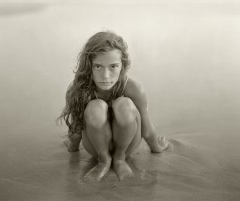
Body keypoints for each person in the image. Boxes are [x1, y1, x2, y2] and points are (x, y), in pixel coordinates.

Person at [58, 31, 169, 182]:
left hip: (128, 147)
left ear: (123, 66)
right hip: (95, 148)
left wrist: (157, 147)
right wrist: (73, 145)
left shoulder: (133, 89)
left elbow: (147, 129)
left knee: (124, 104)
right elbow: (77, 128)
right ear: (89, 66)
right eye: (98, 67)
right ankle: (104, 161)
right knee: (95, 106)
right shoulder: (81, 90)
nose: (105, 75)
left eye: (113, 67)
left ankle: (119, 159)